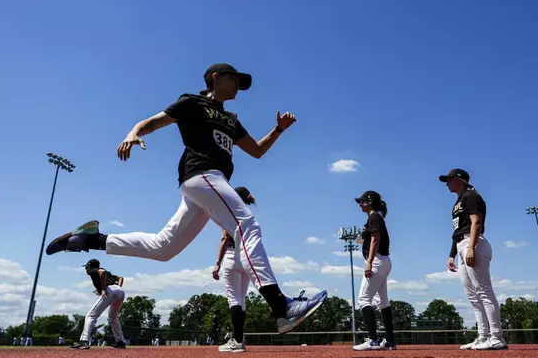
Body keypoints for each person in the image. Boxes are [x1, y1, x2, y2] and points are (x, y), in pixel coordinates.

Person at [45, 63, 327, 334]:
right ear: (215, 77)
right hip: (201, 174)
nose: (239, 86)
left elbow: (256, 151)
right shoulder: (192, 102)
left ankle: (89, 239)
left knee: (163, 248)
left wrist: (278, 130)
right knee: (246, 225)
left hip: (209, 187)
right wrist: (133, 132)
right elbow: (153, 122)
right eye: (234, 79)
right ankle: (281, 307)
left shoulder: (231, 119)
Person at [439, 169, 507, 350]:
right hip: (463, 243)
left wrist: (471, 247)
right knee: (473, 296)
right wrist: (452, 254)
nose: (447, 183)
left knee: (483, 291)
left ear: (460, 180)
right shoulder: (458, 201)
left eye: (450, 180)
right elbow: (457, 230)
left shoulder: (471, 196)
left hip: (474, 242)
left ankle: (496, 336)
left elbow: (476, 222)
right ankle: (483, 336)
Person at [212, 186, 256, 352]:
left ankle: (237, 341)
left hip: (231, 257)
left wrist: (217, 263)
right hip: (246, 258)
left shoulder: (229, 214)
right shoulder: (249, 216)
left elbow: (225, 238)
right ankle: (240, 339)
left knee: (234, 300)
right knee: (241, 300)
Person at [351, 191, 397, 351]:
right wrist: (360, 234)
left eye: (362, 201)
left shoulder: (374, 217)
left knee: (363, 300)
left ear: (370, 202)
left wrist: (369, 262)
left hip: (377, 260)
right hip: (383, 261)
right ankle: (390, 342)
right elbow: (360, 240)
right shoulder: (371, 219)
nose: (359, 204)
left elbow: (375, 240)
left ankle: (373, 340)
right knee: (383, 302)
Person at [70, 259, 126, 350]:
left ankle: (84, 341)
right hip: (120, 292)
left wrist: (103, 289)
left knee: (90, 316)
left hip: (110, 290)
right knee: (113, 318)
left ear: (89, 266)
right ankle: (120, 342)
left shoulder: (94, 270)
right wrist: (118, 287)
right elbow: (120, 278)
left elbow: (102, 272)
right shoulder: (108, 273)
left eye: (86, 267)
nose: (86, 269)